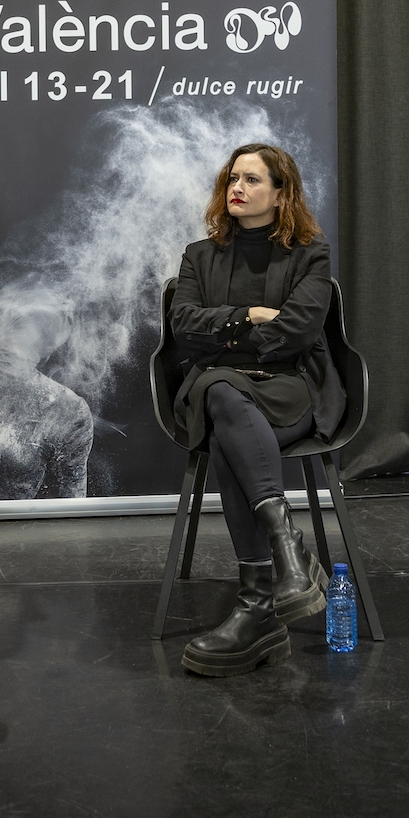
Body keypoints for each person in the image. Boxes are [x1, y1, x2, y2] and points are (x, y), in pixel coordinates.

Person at [167, 143, 345, 676]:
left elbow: (299, 331)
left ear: (281, 192)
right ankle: (286, 551)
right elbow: (182, 328)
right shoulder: (199, 255)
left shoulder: (310, 253)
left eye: (251, 180)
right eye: (232, 180)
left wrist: (225, 340)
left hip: (287, 389)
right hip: (220, 389)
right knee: (222, 392)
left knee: (225, 417)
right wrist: (246, 314)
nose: (237, 189)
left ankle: (258, 609)